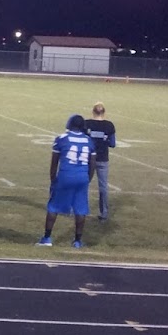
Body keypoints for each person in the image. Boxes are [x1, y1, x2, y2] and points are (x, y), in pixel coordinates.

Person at [38, 115, 97, 248]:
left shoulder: (62, 139)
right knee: (80, 209)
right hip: (82, 176)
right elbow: (92, 163)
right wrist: (88, 178)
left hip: (66, 175)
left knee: (54, 206)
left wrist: (53, 179)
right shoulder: (89, 140)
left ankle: (47, 238)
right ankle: (77, 241)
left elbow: (54, 162)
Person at [84, 102, 117, 222]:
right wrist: (104, 140)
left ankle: (82, 210)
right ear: (104, 113)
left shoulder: (87, 123)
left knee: (84, 184)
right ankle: (104, 213)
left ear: (93, 112)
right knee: (103, 186)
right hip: (103, 159)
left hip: (88, 158)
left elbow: (83, 140)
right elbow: (112, 144)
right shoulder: (109, 125)